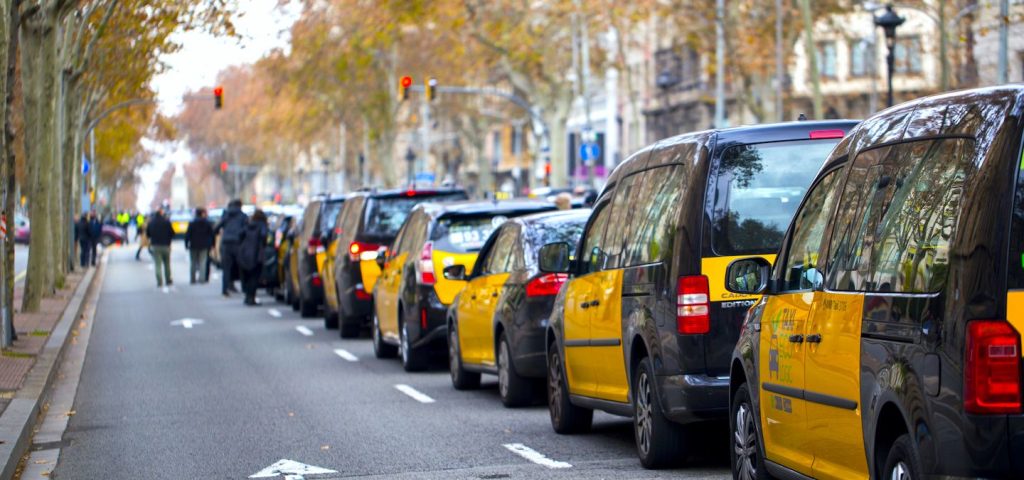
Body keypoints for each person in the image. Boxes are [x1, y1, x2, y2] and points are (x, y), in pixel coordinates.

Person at [214, 199, 248, 297]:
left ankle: (225, 289)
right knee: (242, 266)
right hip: (238, 243)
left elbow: (217, 227)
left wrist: (219, 234)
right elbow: (246, 229)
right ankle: (244, 288)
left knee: (226, 268)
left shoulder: (226, 215)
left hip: (226, 243)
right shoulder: (243, 216)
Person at [238, 209, 269, 306]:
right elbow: (264, 236)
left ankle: (247, 297)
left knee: (246, 276)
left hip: (244, 252)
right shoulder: (262, 226)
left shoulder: (248, 225)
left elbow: (240, 235)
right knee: (254, 277)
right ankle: (251, 297)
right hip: (256, 253)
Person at [184, 208, 214, 284]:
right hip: (204, 245)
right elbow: (211, 234)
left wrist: (186, 244)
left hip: (193, 245)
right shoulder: (207, 223)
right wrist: (212, 244)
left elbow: (188, 234)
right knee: (203, 262)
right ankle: (202, 279)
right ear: (202, 214)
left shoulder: (192, 223)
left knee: (193, 262)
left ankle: (192, 279)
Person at [146, 209, 175, 287]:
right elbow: (172, 233)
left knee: (158, 264)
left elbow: (148, 234)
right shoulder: (166, 222)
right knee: (167, 264)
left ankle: (159, 281)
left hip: (155, 245)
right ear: (162, 214)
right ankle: (168, 279)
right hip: (166, 245)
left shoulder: (151, 223)